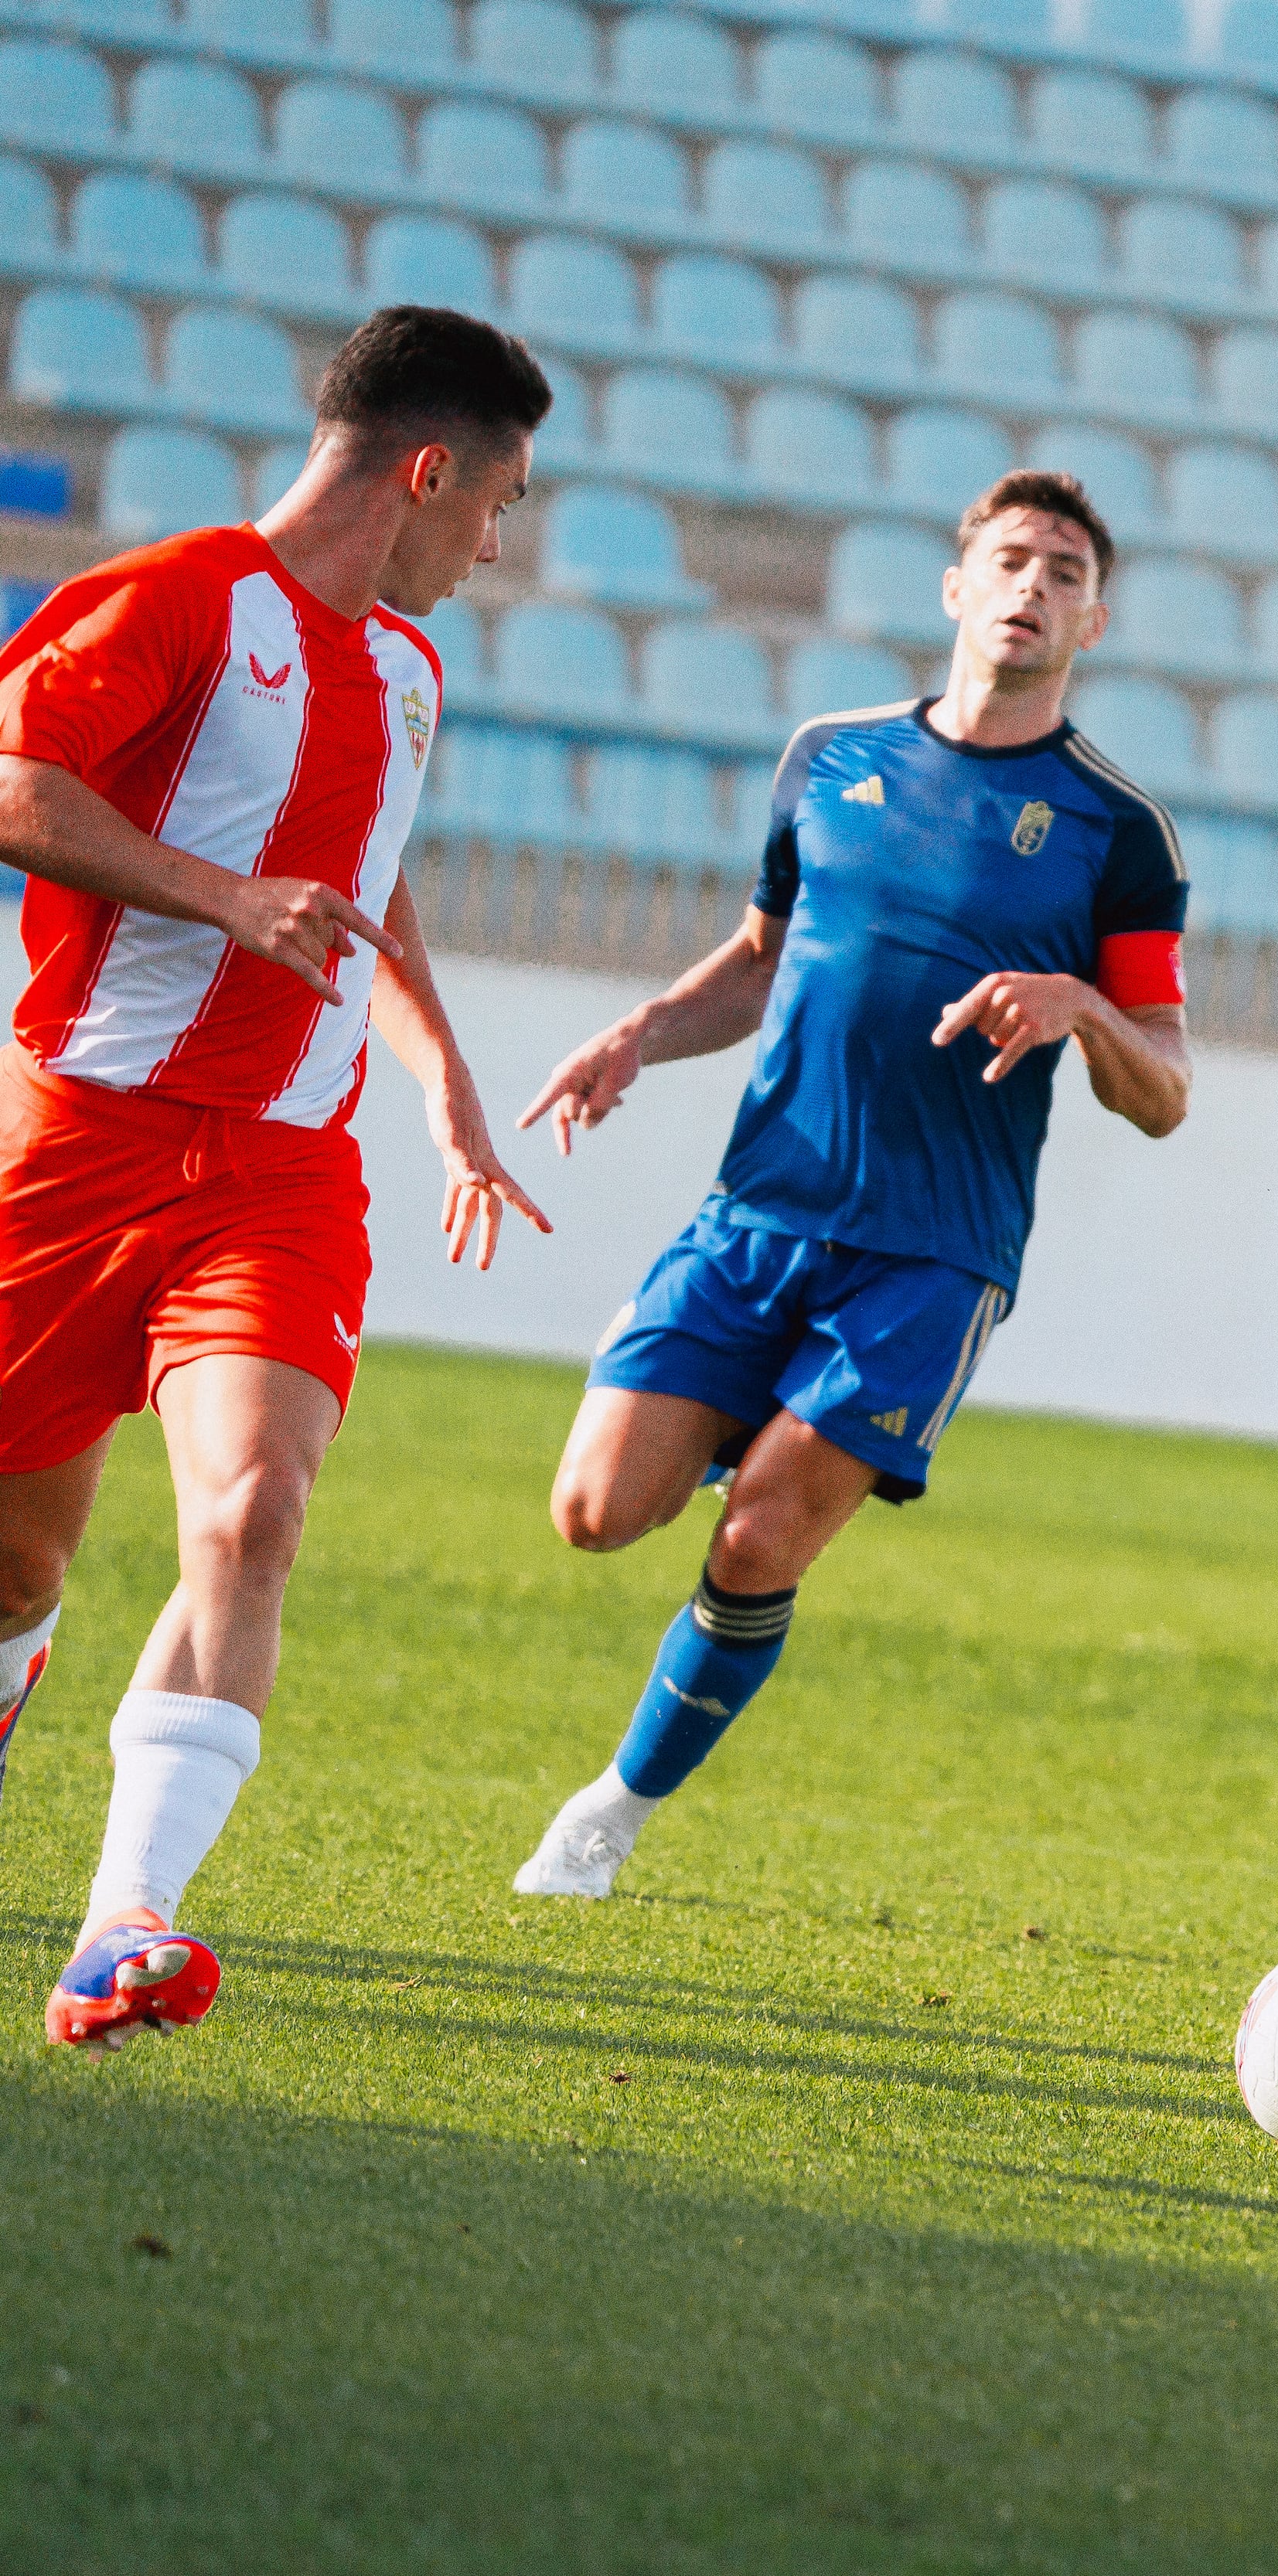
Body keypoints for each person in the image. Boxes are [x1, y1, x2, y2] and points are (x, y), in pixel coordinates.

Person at [506, 471, 1191, 1898]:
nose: (1033, 587)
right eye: (1010, 559)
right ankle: (754, 1420)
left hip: (933, 1251)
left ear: (1096, 617)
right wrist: (640, 1031)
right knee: (592, 1509)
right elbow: (760, 957)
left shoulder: (1119, 831)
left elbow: (1166, 1091)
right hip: (759, 1208)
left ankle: (617, 1805)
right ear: (956, 587)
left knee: (758, 1538)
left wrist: (1082, 1005)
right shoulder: (829, 757)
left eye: (1065, 571)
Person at [0, 306, 556, 2052]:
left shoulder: (408, 669)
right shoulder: (175, 601)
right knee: (19, 1569)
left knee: (251, 1513)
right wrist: (220, 897)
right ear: (426, 469)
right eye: (499, 503)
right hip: (74, 1145)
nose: (499, 544)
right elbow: (17, 785)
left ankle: (125, 1925)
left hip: (278, 1175)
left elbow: (359, 898)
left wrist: (444, 1079)